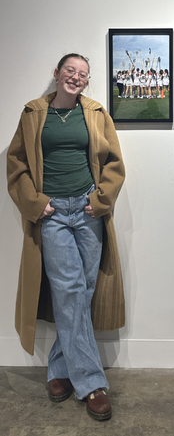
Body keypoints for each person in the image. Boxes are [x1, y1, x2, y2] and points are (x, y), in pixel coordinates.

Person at [6, 54, 126, 421]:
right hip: (54, 214)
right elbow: (15, 163)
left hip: (88, 212)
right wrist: (35, 203)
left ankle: (58, 369)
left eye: (83, 74)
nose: (75, 77)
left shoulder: (95, 113)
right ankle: (91, 382)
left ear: (86, 82)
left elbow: (114, 163)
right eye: (70, 71)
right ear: (57, 74)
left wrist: (100, 199)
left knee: (82, 291)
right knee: (70, 289)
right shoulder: (32, 114)